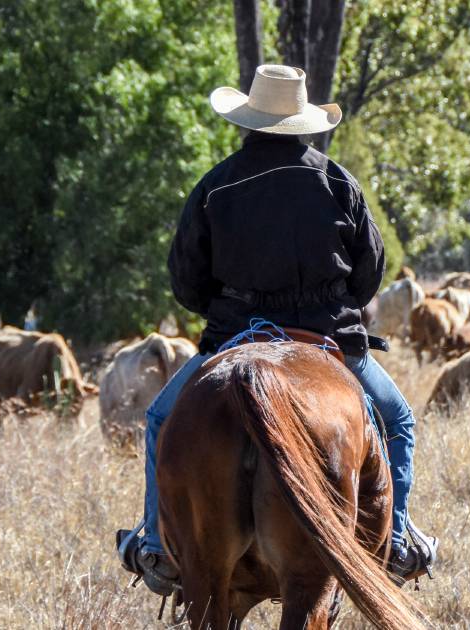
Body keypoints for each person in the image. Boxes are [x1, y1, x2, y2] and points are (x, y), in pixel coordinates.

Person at [116, 64, 436, 596]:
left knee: (159, 418)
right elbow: (369, 269)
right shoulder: (337, 181)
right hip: (326, 339)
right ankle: (397, 542)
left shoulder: (215, 185)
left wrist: (227, 310)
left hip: (235, 336)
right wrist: (329, 310)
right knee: (398, 420)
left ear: (250, 119)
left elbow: (186, 280)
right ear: (302, 121)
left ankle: (155, 546)